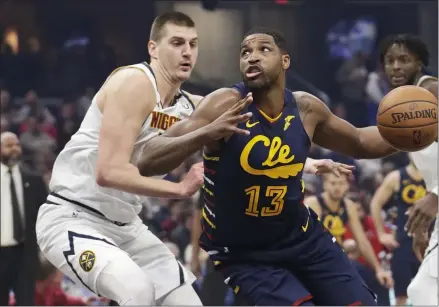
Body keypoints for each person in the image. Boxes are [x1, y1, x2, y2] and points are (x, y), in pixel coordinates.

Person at [137, 27, 400, 305]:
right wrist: (207, 132)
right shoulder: (225, 104)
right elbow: (147, 158)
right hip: (244, 252)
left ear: (285, 61)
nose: (252, 57)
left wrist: (412, 136)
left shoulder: (306, 109)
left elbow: (360, 140)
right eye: (245, 52)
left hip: (302, 239)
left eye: (264, 50)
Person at [36, 12, 208, 306]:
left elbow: (252, 136)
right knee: (137, 291)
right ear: (153, 48)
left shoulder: (189, 106)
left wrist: (303, 165)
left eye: (193, 44)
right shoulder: (133, 81)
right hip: (73, 217)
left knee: (188, 303)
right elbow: (108, 172)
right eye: (177, 42)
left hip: (127, 226)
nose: (187, 52)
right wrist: (180, 189)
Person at [378, 33, 438, 306]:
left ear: (420, 63)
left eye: (404, 59)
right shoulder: (405, 103)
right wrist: (424, 225)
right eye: (390, 60)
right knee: (421, 294)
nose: (396, 67)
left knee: (421, 294)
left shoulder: (432, 92)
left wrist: (435, 197)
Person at [305, 173, 394, 289]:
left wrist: (378, 270)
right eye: (333, 183)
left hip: (335, 258)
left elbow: (362, 241)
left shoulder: (348, 206)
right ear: (325, 185)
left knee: (369, 277)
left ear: (347, 186)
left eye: (341, 183)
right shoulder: (313, 203)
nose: (337, 187)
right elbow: (309, 240)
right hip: (313, 259)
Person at [0, 132, 47, 306]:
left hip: (24, 254)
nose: (14, 149)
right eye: (8, 145)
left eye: (17, 145)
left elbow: (44, 215)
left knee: (26, 301)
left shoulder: (34, 179)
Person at [370, 159, 426, 305]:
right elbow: (375, 203)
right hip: (403, 242)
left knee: (431, 291)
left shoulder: (433, 175)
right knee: (402, 295)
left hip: (429, 241)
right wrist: (382, 233)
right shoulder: (396, 177)